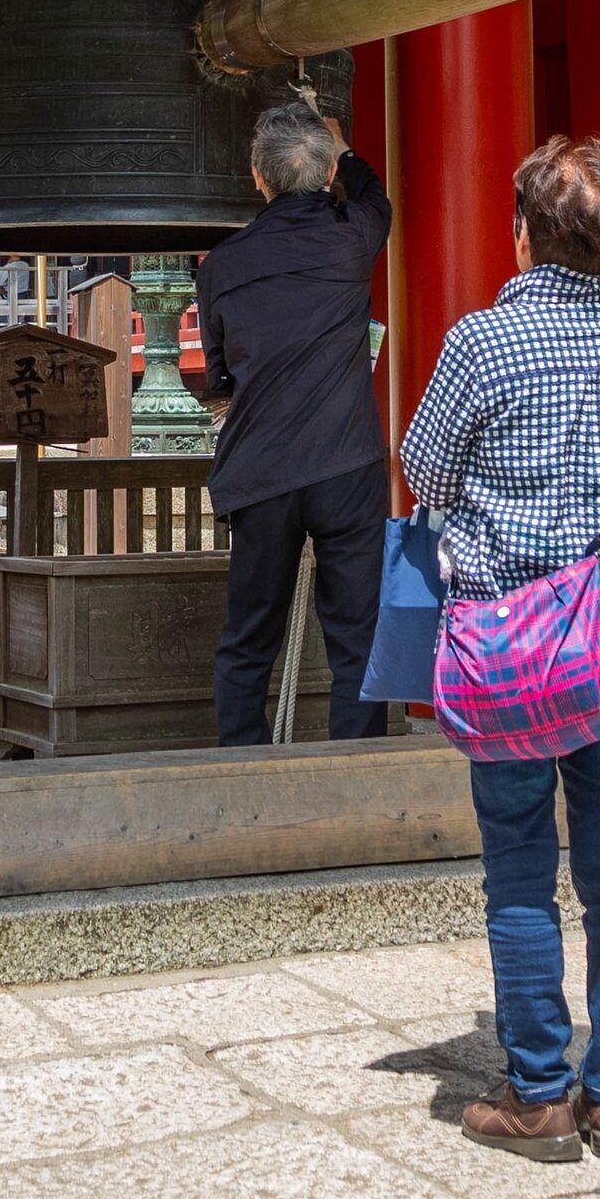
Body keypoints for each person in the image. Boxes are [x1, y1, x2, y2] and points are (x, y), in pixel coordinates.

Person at [399, 136, 600, 1164]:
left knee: (521, 869)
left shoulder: (481, 343)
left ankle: (537, 1095)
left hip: (518, 644)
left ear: (518, 234)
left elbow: (423, 464)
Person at [197, 100, 394, 745]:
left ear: (260, 177)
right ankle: (355, 773)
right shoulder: (353, 235)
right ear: (325, 173)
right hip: (346, 464)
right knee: (356, 635)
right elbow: (375, 195)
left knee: (249, 638)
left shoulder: (222, 266)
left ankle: (242, 768)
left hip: (261, 471)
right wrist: (344, 150)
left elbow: (220, 376)